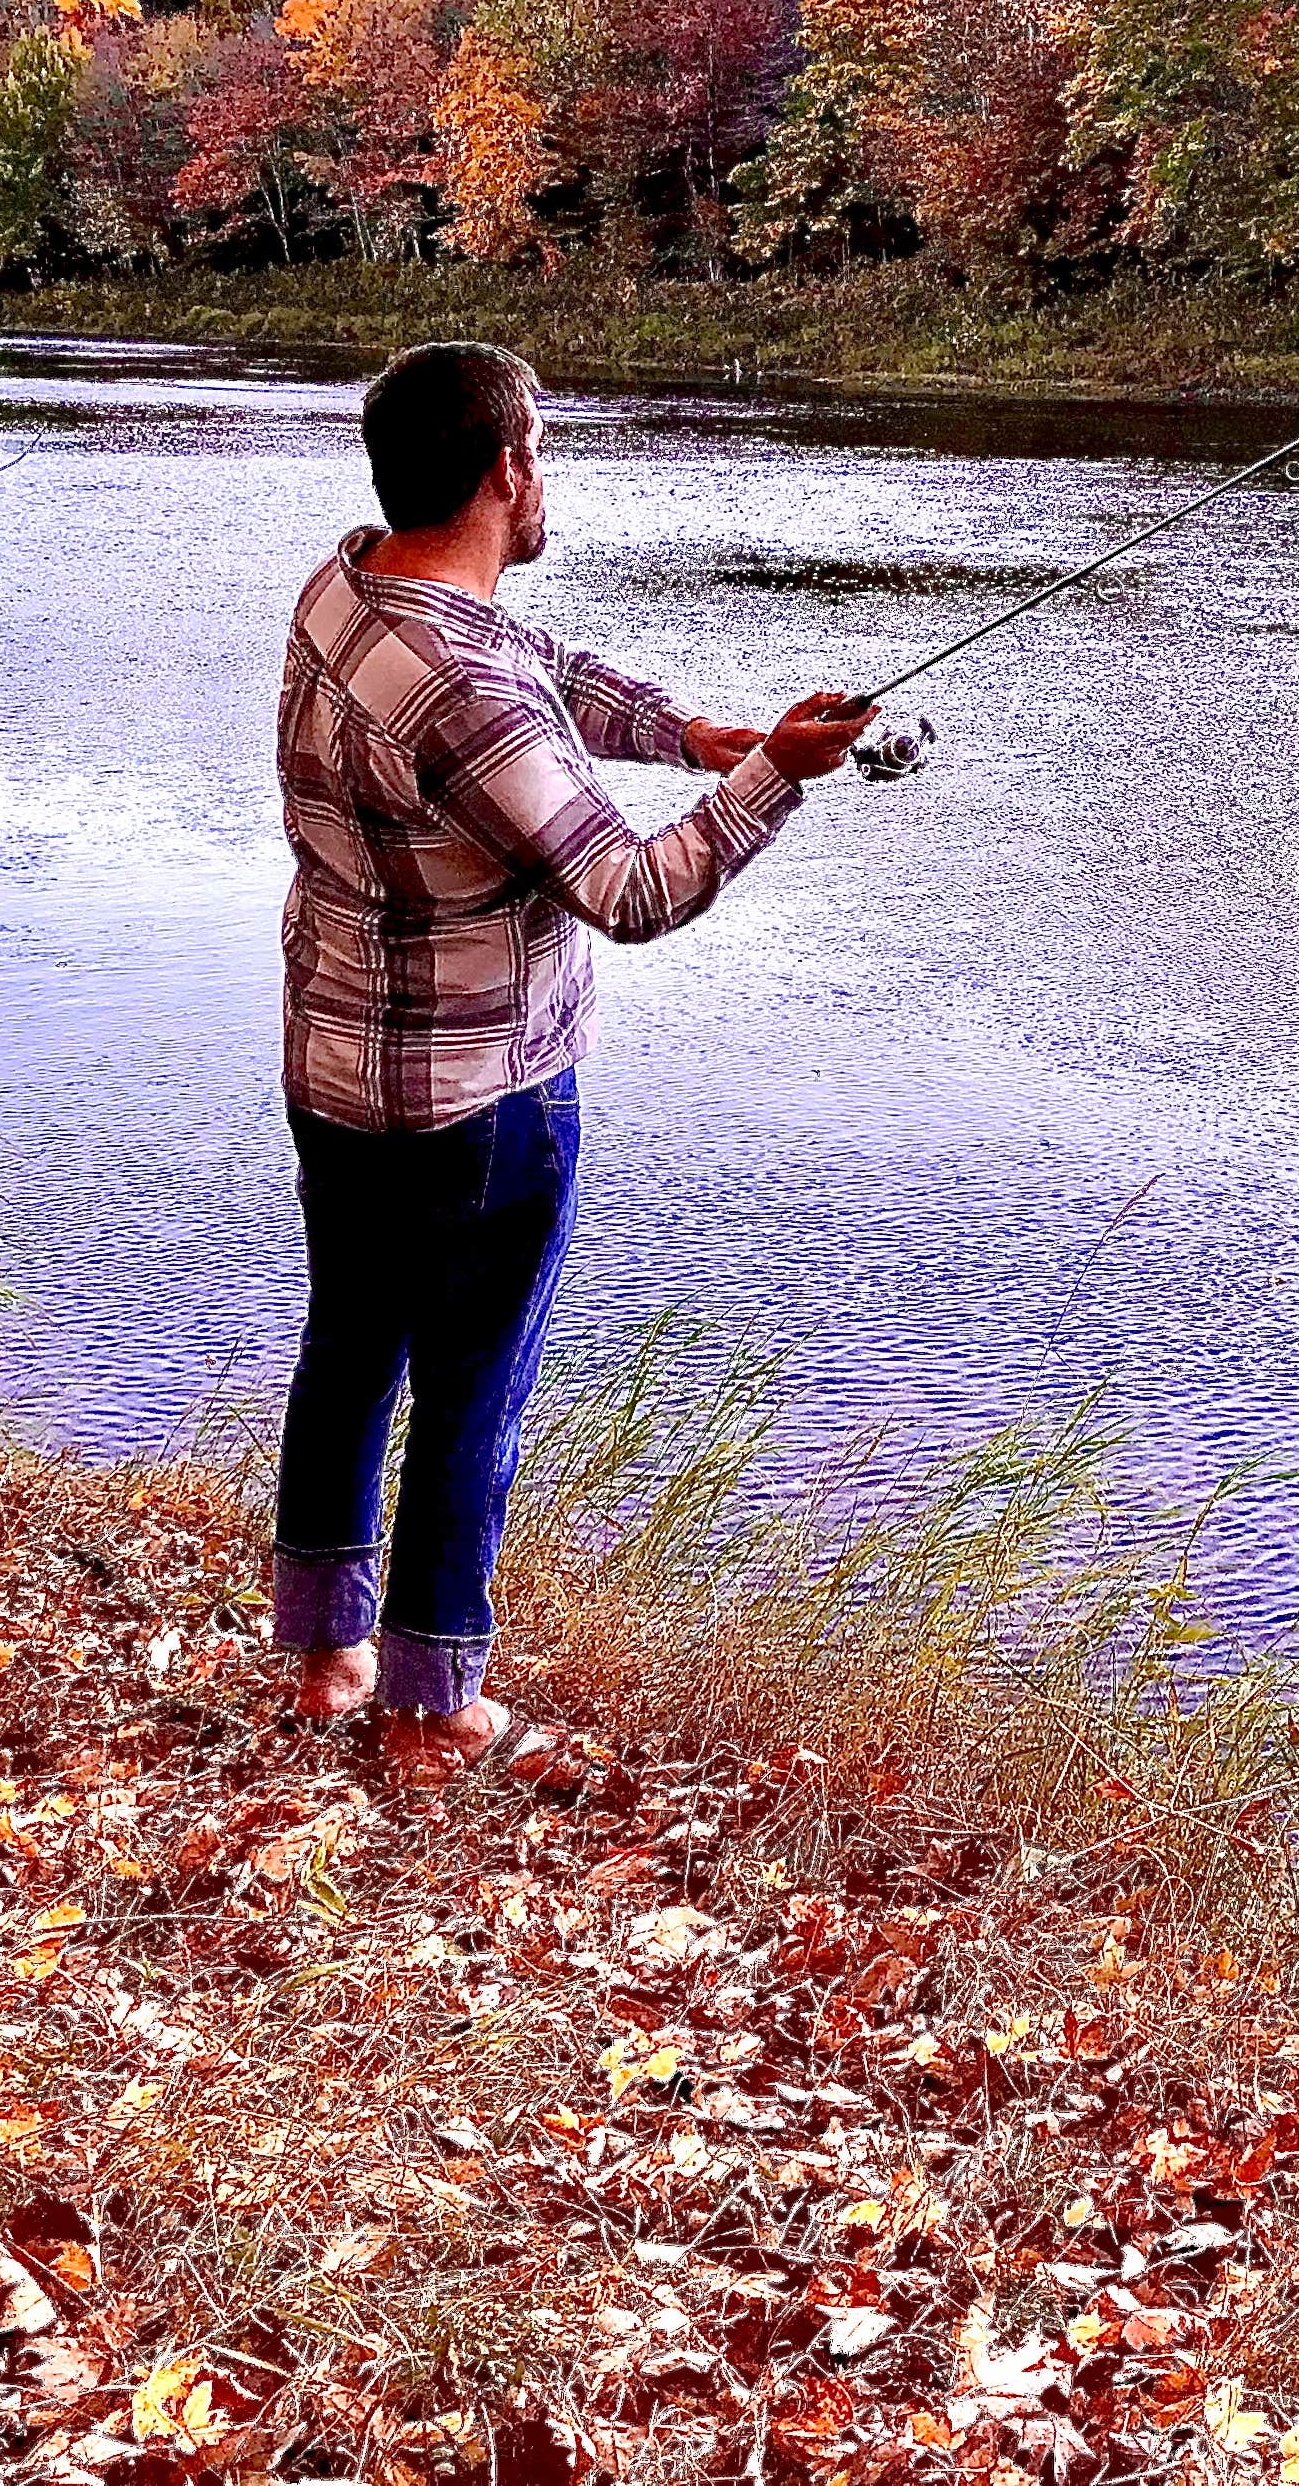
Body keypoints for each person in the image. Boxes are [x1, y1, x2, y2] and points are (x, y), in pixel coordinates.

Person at [267, 341, 867, 1778]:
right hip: (484, 1102)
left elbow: (537, 666)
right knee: (476, 1378)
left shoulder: (348, 591)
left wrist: (702, 734)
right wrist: (773, 779)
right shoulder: (468, 692)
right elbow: (635, 893)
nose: (546, 474)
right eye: (538, 447)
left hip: (334, 1067)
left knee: (351, 1344)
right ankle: (433, 1704)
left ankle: (324, 1651)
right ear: (504, 470)